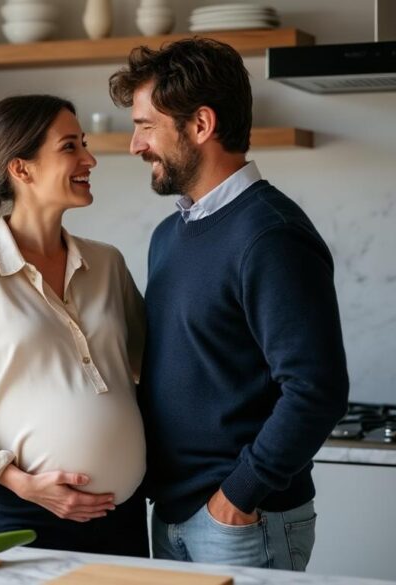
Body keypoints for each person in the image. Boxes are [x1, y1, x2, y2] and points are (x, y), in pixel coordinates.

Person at [108, 38, 349, 570]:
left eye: (146, 126)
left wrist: (236, 497)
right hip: (173, 515)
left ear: (200, 125)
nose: (135, 145)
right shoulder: (169, 235)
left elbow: (317, 388)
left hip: (240, 519)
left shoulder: (270, 236)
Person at [0, 94, 149, 557]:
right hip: (18, 517)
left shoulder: (108, 264)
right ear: (22, 169)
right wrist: (25, 484)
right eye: (70, 147)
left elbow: (154, 368)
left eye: (84, 143)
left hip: (119, 521)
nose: (89, 159)